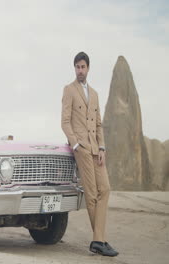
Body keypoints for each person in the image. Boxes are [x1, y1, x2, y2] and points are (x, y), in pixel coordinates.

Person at [61, 52, 118, 256]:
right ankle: (100, 241)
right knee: (92, 194)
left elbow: (100, 124)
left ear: (88, 68)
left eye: (83, 67)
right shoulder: (69, 90)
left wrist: (102, 147)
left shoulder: (94, 94)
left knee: (106, 189)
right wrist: (76, 145)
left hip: (96, 148)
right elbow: (65, 121)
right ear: (74, 68)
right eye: (77, 67)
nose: (80, 70)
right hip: (82, 149)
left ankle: (98, 239)